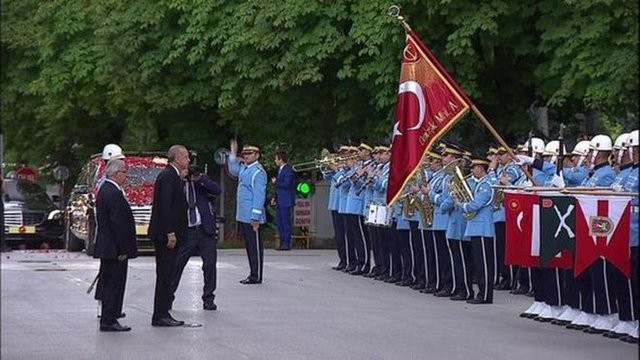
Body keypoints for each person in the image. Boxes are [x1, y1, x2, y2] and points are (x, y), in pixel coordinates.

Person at [94, 159, 138, 331]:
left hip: (108, 246)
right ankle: (109, 319)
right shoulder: (112, 192)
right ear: (116, 173)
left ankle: (109, 316)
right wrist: (122, 249)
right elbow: (117, 223)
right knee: (114, 284)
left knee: (110, 282)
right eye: (124, 172)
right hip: (114, 248)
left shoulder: (105, 190)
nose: (126, 176)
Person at [170, 165, 222, 310]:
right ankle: (168, 297)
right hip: (187, 230)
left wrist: (200, 179)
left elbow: (217, 190)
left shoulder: (202, 183)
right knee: (177, 265)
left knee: (210, 264)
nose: (190, 176)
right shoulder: (178, 183)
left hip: (204, 229)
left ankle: (208, 297)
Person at [149, 145, 189, 327]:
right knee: (165, 274)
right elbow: (165, 207)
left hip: (172, 232)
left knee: (168, 273)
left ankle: (163, 312)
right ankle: (160, 314)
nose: (188, 160)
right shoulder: (168, 176)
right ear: (177, 158)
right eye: (186, 157)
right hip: (166, 235)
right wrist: (170, 232)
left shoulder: (175, 176)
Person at [227, 140, 267, 284]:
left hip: (252, 215)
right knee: (250, 246)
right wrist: (232, 154)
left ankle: (256, 275)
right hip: (244, 214)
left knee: (255, 246)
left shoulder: (258, 172)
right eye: (244, 154)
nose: (246, 156)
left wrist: (255, 217)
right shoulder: (245, 168)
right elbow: (233, 169)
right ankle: (252, 273)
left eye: (249, 154)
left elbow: (259, 195)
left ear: (257, 155)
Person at [272, 148, 296, 250]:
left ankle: (286, 243)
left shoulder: (288, 169)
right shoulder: (280, 170)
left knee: (286, 222)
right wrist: (275, 197)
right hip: (280, 199)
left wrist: (276, 182)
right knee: (280, 222)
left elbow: (287, 184)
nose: (275, 161)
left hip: (286, 199)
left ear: (281, 159)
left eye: (276, 159)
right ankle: (282, 242)